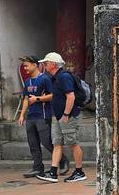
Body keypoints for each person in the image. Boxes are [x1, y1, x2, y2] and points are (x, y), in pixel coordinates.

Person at [36, 52, 86, 182]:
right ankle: (53, 172)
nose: (45, 66)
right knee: (57, 143)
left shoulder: (63, 77)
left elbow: (71, 96)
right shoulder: (55, 78)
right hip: (58, 116)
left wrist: (66, 114)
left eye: (46, 63)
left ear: (53, 64)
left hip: (67, 116)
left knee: (72, 143)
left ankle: (79, 171)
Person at [16, 56, 54, 179]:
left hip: (43, 115)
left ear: (34, 64)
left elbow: (52, 95)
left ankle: (61, 161)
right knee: (33, 143)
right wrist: (22, 114)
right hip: (31, 117)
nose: (25, 68)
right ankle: (38, 168)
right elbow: (26, 99)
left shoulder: (45, 79)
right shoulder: (27, 82)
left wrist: (38, 99)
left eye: (26, 65)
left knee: (46, 142)